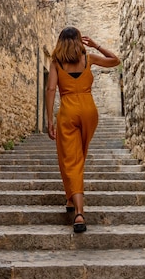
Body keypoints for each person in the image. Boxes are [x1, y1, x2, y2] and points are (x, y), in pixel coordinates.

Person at [45, 27, 120, 233]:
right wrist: (96, 45)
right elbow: (115, 60)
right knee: (79, 156)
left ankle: (78, 212)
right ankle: (71, 198)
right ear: (79, 41)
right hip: (89, 111)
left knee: (70, 159)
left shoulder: (56, 63)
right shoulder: (89, 59)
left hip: (68, 111)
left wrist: (49, 119)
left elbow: (51, 89)